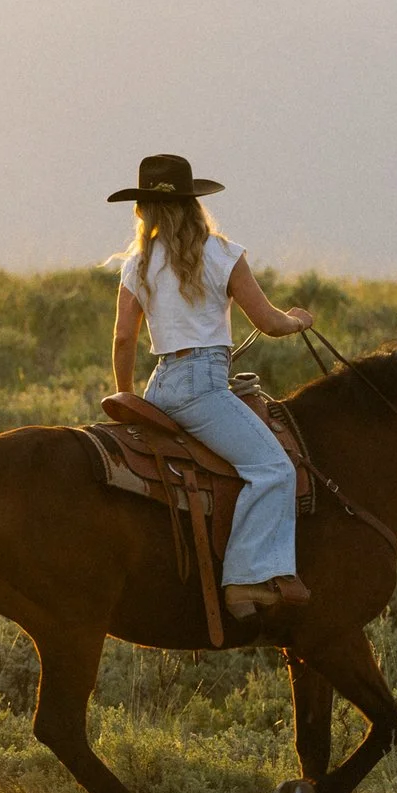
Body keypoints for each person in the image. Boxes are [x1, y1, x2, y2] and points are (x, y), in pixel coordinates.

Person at [108, 154, 316, 618]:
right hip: (203, 387)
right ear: (194, 203)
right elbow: (267, 322)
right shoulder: (224, 254)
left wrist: (126, 396)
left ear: (143, 209)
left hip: (160, 387)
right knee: (274, 469)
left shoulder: (137, 263)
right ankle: (245, 579)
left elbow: (123, 338)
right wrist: (298, 321)